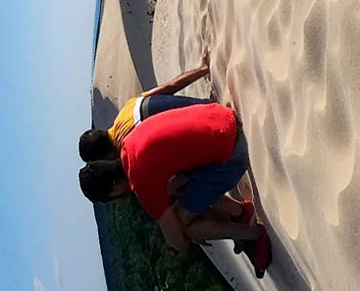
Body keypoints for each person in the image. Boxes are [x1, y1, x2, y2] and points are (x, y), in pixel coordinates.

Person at [80, 95, 270, 274]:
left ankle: (254, 235)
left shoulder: (140, 181)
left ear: (113, 190)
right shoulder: (130, 142)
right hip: (223, 117)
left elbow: (178, 242)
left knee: (185, 225)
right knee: (180, 191)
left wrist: (191, 231)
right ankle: (239, 212)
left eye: (111, 199)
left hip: (233, 153)